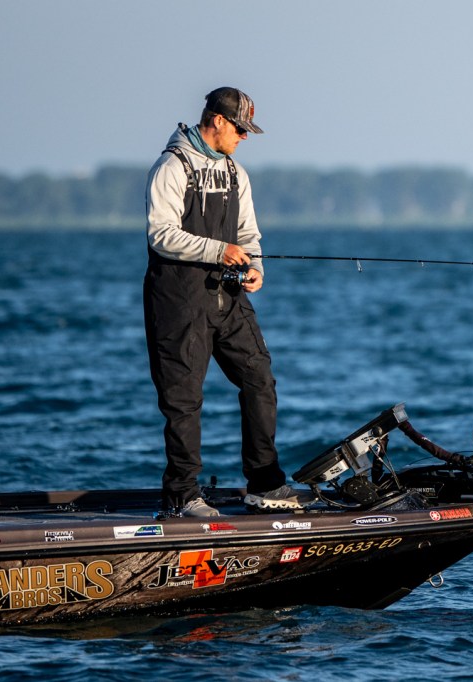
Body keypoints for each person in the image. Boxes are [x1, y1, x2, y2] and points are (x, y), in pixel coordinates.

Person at [143, 86, 310, 517]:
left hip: (229, 298)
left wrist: (255, 267)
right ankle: (182, 495)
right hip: (179, 302)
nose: (244, 136)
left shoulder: (236, 172)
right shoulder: (171, 166)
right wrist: (219, 250)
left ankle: (265, 483)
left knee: (260, 380)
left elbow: (248, 233)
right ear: (217, 120)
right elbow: (160, 234)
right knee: (183, 400)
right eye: (240, 127)